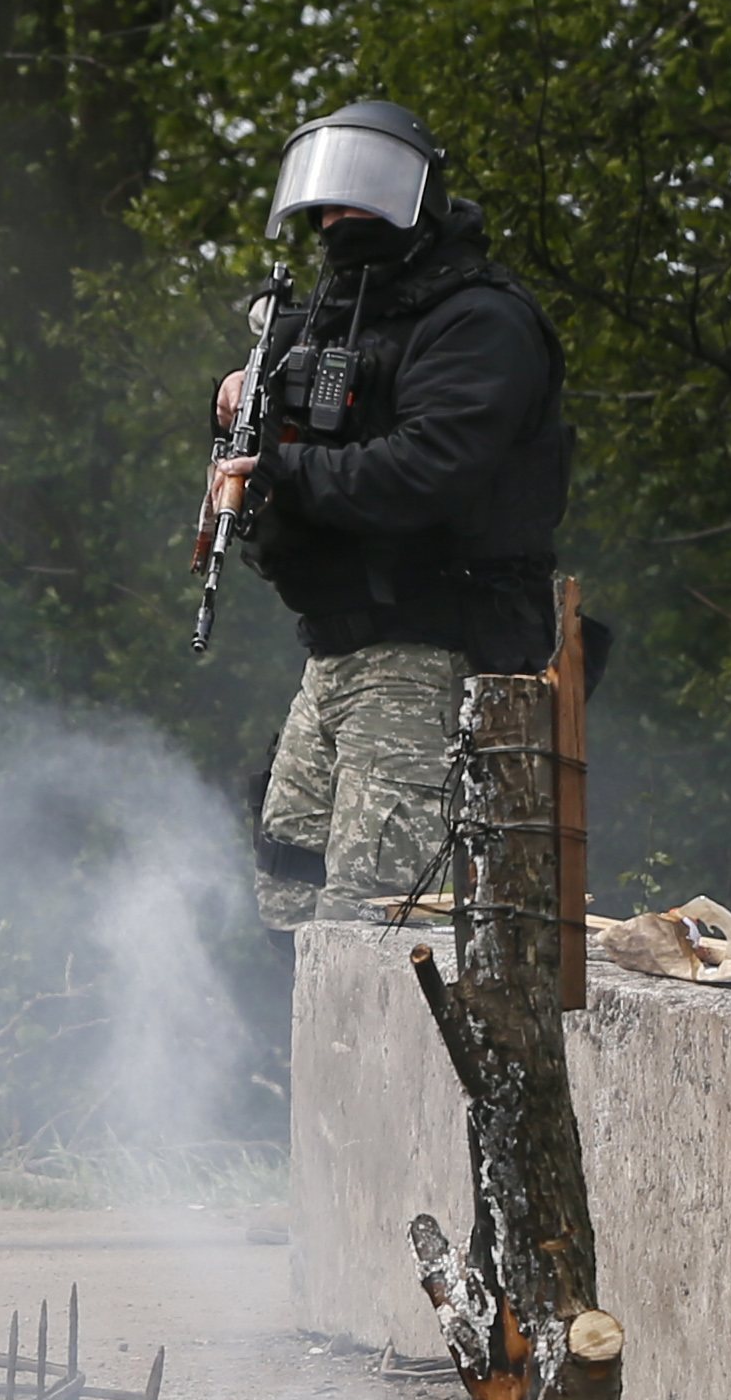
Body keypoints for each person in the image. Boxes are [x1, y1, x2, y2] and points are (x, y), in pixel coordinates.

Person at [213, 99, 571, 933]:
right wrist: (242, 403)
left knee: (376, 917)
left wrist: (283, 468)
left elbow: (429, 471)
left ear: (414, 200)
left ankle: (385, 1069)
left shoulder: (480, 321)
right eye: (325, 207)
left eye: (357, 202)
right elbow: (299, 423)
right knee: (289, 883)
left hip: (429, 644)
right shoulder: (351, 313)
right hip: (337, 648)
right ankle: (301, 1064)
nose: (338, 221)